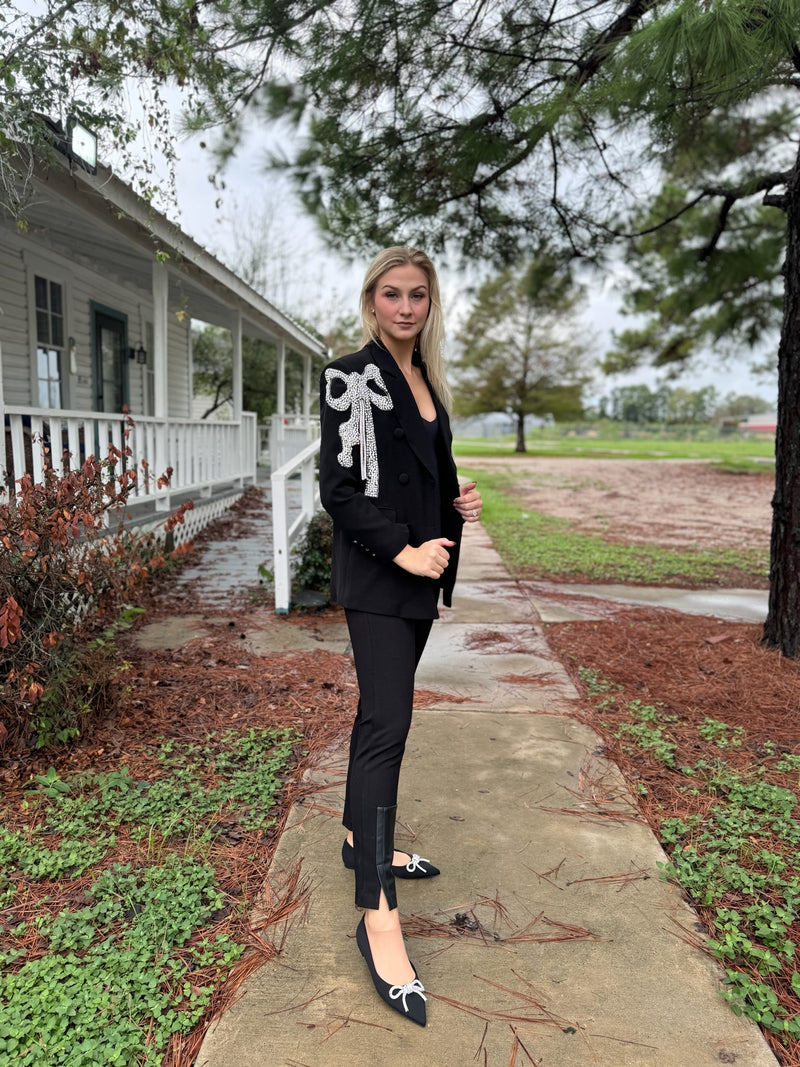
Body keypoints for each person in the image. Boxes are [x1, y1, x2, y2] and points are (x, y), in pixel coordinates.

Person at [318, 246, 482, 1027]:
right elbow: (340, 491)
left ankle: (363, 838)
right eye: (393, 294)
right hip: (382, 576)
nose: (407, 306)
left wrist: (460, 500)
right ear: (372, 300)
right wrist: (406, 548)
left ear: (431, 302)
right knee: (388, 724)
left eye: (419, 294)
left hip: (419, 578)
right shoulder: (351, 374)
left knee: (375, 717)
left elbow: (423, 472)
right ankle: (375, 912)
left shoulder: (427, 382)